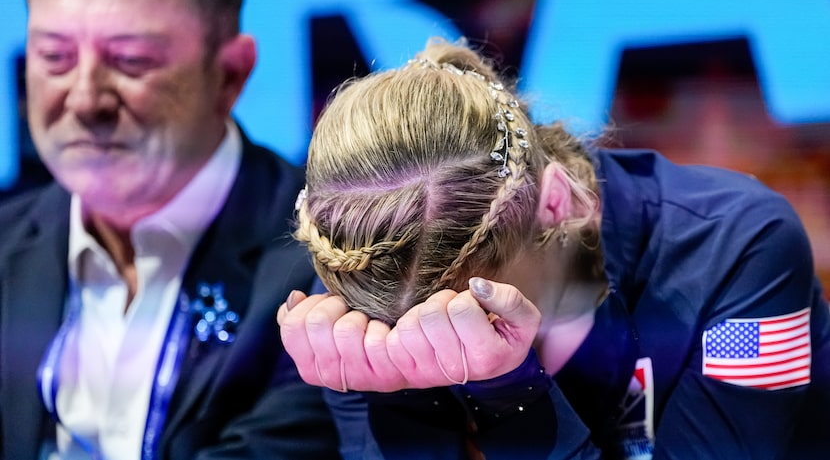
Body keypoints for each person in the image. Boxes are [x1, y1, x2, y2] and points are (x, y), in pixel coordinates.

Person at [277, 38, 830, 459]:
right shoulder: (368, 268)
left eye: (475, 314)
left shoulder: (738, 253)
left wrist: (509, 395)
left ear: (559, 203)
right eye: (404, 332)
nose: (432, 345)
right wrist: (399, 397)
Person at [0, 0, 340, 458]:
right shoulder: (5, 245)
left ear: (229, 75)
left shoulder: (329, 264)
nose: (85, 99)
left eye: (131, 60)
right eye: (54, 56)